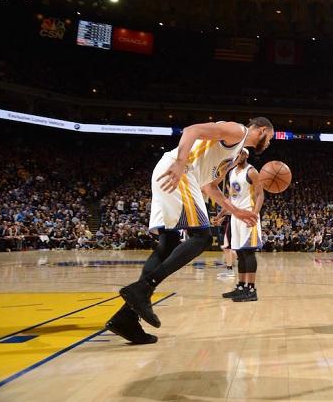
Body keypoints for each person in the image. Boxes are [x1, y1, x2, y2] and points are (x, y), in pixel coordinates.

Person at [105, 117, 274, 344]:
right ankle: (143, 289)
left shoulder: (235, 154)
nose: (269, 143)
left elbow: (209, 187)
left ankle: (126, 318)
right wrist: (180, 162)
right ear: (262, 130)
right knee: (202, 238)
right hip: (180, 173)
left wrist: (236, 211)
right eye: (270, 137)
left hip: (174, 174)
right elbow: (192, 129)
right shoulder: (237, 131)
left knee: (168, 245)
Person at [216, 149, 265, 302]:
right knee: (240, 253)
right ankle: (241, 287)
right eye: (236, 153)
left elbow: (260, 195)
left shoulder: (252, 172)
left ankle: (251, 289)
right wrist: (221, 215)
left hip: (248, 215)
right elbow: (231, 198)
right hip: (236, 217)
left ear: (246, 155)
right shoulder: (231, 173)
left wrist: (254, 215)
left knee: (248, 252)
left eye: (240, 153)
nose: (237, 156)